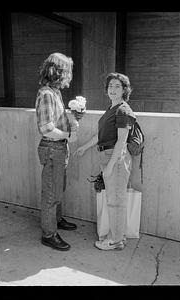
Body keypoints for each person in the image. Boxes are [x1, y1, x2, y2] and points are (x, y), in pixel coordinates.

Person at [74, 72, 136, 251]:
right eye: (110, 86)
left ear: (125, 89)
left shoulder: (123, 110)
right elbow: (100, 135)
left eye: (117, 86)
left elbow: (121, 141)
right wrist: (85, 147)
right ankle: (119, 237)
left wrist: (109, 167)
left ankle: (116, 241)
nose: (113, 89)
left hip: (115, 159)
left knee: (115, 201)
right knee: (114, 200)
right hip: (108, 157)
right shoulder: (112, 108)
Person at [35, 53, 79, 251]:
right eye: (67, 71)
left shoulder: (56, 92)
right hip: (53, 148)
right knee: (51, 193)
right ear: (58, 72)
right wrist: (68, 136)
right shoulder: (45, 93)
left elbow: (58, 122)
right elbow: (45, 128)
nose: (69, 75)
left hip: (60, 148)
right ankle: (49, 234)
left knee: (58, 189)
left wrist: (75, 116)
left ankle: (56, 220)